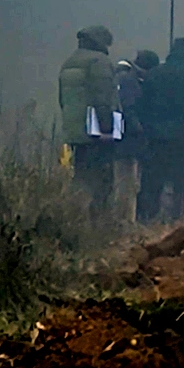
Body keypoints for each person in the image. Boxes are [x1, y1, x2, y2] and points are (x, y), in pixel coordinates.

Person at [136, 38, 184, 223]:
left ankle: (148, 220)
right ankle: (177, 220)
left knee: (152, 183)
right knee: (181, 183)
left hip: (156, 140)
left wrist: (147, 131)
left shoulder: (153, 74)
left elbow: (142, 107)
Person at [58, 25, 120, 227]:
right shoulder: (98, 62)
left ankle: (73, 219)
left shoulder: (69, 63)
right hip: (96, 134)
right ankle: (98, 224)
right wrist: (108, 128)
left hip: (75, 132)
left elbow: (63, 101)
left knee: (81, 176)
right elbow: (102, 99)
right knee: (102, 179)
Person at [111, 50, 160, 222]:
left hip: (117, 140)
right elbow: (130, 109)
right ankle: (126, 222)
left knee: (123, 183)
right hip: (128, 142)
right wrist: (140, 130)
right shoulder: (129, 81)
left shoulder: (120, 77)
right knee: (127, 184)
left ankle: (121, 221)